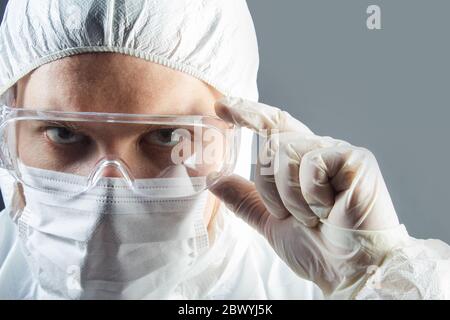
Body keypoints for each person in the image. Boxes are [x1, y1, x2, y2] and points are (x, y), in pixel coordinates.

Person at [0, 0, 448, 300]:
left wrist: (379, 280)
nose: (109, 190)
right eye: (62, 133)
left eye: (168, 137)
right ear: (10, 117)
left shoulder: (305, 286)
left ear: (237, 134)